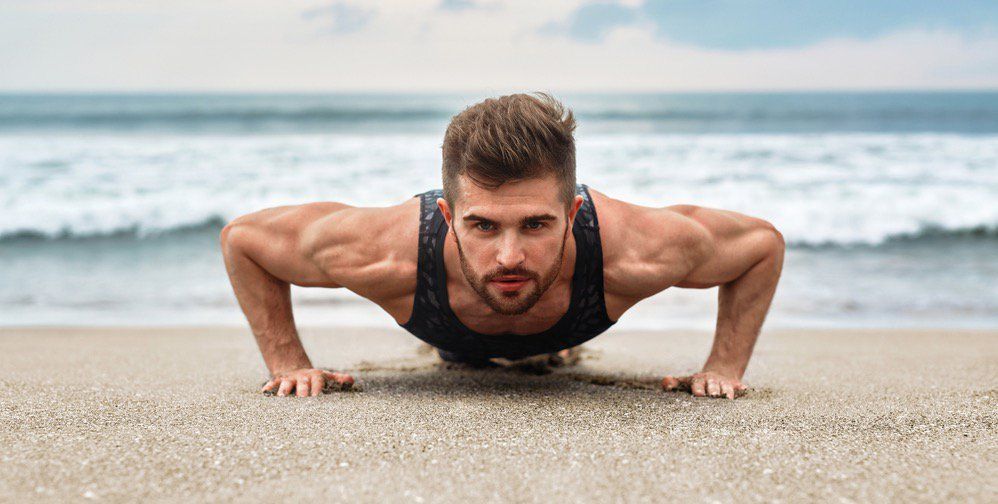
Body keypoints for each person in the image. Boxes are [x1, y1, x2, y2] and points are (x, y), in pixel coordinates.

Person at [221, 92, 785, 400]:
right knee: (459, 351)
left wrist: (724, 367)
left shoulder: (638, 250)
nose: (509, 256)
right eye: (484, 225)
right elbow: (245, 241)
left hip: (568, 323)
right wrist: (289, 363)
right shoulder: (383, 252)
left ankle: (556, 348)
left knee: (549, 349)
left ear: (573, 212)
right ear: (447, 215)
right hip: (450, 329)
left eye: (536, 225)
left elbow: (760, 245)